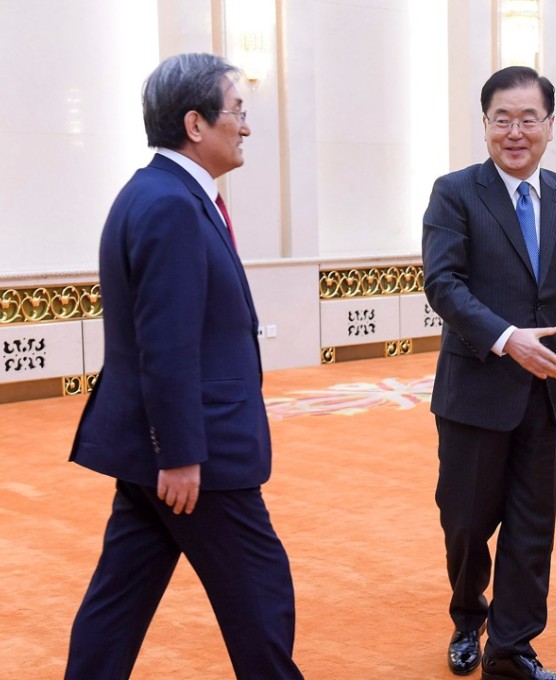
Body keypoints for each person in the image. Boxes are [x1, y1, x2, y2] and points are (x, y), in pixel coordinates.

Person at [65, 53, 303, 680]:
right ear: (196, 124)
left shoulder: (161, 193)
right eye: (237, 112)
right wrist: (178, 454)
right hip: (196, 454)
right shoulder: (171, 204)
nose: (246, 126)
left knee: (119, 601)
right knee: (261, 595)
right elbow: (165, 343)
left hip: (156, 448)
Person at [422, 66, 556, 680]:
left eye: (528, 119)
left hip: (543, 391)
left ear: (550, 125)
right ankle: (468, 615)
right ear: (485, 124)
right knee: (466, 522)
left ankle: (511, 647)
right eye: (503, 119)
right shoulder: (455, 192)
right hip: (474, 388)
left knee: (531, 523)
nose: (515, 132)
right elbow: (443, 283)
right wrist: (505, 339)